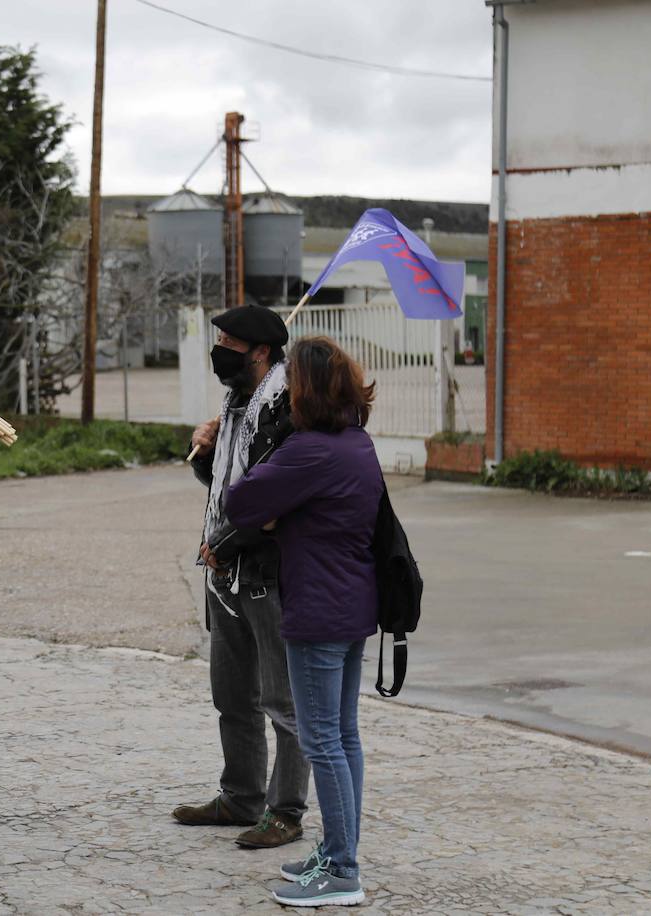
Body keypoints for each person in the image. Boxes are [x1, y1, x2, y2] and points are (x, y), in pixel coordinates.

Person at [225, 336, 383, 908]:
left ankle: (342, 869)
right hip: (352, 606)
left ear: (308, 390)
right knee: (342, 736)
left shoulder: (309, 450)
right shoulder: (355, 442)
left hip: (317, 610)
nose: (285, 395)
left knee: (322, 740)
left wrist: (272, 517)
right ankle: (337, 851)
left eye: (291, 385)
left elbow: (239, 503)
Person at [173, 305, 312, 850]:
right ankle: (240, 796)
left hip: (264, 572)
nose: (220, 349)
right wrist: (204, 456)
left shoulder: (285, 411)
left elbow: (271, 503)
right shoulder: (237, 402)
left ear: (261, 352)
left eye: (230, 341)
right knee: (233, 695)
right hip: (224, 569)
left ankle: (286, 811)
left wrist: (224, 545)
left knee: (283, 702)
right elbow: (228, 486)